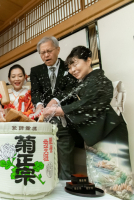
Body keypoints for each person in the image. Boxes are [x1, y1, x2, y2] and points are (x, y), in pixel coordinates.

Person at [44, 46, 132, 198]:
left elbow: (91, 102)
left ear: (88, 60)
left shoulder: (100, 79)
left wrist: (62, 110)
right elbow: (72, 102)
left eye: (75, 63)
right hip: (96, 133)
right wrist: (55, 106)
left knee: (117, 181)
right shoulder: (82, 84)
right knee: (99, 179)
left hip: (110, 133)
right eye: (70, 67)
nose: (72, 69)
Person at [30, 36, 78, 180]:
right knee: (46, 163)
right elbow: (35, 92)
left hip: (63, 123)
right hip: (43, 124)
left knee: (66, 165)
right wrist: (39, 105)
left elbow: (71, 89)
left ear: (57, 49)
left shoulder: (69, 67)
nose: (46, 55)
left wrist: (55, 100)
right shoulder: (36, 71)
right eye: (42, 52)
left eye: (49, 51)